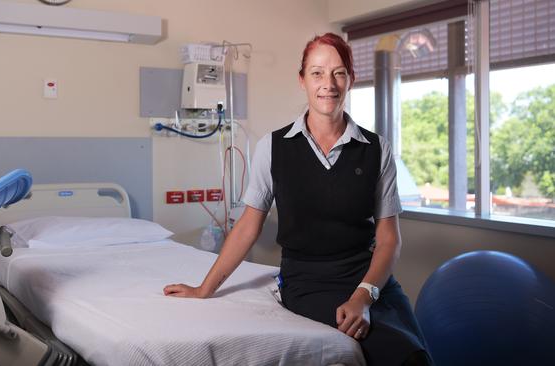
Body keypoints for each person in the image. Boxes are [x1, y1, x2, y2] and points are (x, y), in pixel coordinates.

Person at [164, 32, 432, 366]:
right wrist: (205, 288)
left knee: (419, 352)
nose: (328, 83)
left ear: (351, 79)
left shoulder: (377, 149)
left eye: (338, 73)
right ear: (302, 80)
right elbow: (248, 226)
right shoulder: (273, 148)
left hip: (371, 282)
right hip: (309, 282)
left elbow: (389, 239)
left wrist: (365, 294)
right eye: (317, 73)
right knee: (401, 355)